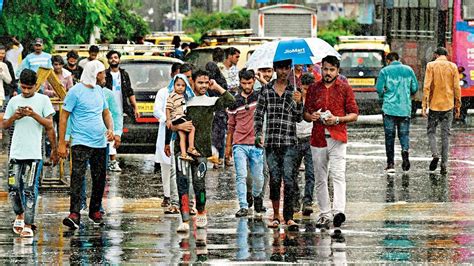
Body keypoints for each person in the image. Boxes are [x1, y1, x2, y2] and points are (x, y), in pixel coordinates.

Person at [172, 69, 235, 233]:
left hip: (202, 150)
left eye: (206, 82)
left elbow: (231, 100)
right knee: (182, 183)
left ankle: (201, 210)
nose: (204, 86)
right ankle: (184, 218)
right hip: (182, 149)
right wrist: (178, 127)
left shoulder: (211, 101)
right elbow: (169, 122)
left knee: (199, 184)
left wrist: (217, 87)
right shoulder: (183, 100)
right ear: (192, 82)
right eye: (200, 82)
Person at [304, 55, 359, 233]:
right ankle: (325, 212)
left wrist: (337, 120)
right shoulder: (313, 89)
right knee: (320, 178)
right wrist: (311, 116)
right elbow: (306, 112)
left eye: (331, 70)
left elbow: (354, 114)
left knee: (338, 175)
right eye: (325, 69)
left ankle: (338, 212)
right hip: (318, 138)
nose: (328, 73)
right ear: (321, 69)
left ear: (337, 71)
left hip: (338, 137)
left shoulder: (345, 89)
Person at [58, 61, 114, 230]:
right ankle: (74, 213)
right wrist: (62, 142)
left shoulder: (99, 91)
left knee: (99, 177)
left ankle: (95, 210)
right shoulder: (75, 92)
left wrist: (110, 128)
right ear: (94, 74)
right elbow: (63, 116)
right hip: (80, 142)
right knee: (77, 177)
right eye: (102, 73)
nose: (104, 76)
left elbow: (106, 112)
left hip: (99, 142)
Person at [3, 69, 58, 237]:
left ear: (36, 86)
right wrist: (15, 117)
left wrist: (54, 150)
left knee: (29, 188)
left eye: (29, 88)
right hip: (16, 152)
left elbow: (49, 125)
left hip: (34, 153)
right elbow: (4, 124)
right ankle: (19, 215)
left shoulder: (43, 100)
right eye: (23, 87)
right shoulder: (14, 100)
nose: (25, 91)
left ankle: (29, 222)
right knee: (13, 187)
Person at [254, 59, 303, 231]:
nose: (283, 71)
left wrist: (299, 102)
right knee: (275, 179)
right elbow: (259, 114)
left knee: (289, 179)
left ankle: (288, 217)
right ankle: (275, 215)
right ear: (275, 69)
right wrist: (258, 134)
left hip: (290, 141)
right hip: (272, 142)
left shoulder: (294, 90)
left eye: (286, 68)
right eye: (280, 68)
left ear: (290, 69)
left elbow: (298, 117)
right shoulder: (266, 90)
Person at [226, 69, 265, 218]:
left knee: (259, 177)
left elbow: (270, 90)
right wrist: (228, 147)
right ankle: (243, 205)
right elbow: (230, 125)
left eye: (250, 83)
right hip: (239, 143)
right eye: (244, 83)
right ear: (240, 82)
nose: (247, 86)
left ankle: (256, 197)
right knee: (241, 176)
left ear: (253, 81)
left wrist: (261, 79)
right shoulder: (234, 101)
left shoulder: (259, 96)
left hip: (256, 144)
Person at [376, 52, 418, 173]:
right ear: (398, 59)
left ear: (388, 60)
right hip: (404, 108)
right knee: (404, 135)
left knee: (389, 136)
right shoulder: (408, 70)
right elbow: (414, 88)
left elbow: (379, 89)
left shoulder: (385, 71)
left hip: (389, 108)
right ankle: (405, 151)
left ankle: (390, 164)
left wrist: (385, 93)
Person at [422, 47, 461, 175]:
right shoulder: (453, 67)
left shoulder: (431, 66)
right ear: (446, 55)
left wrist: (424, 105)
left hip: (434, 105)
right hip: (448, 105)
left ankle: (435, 154)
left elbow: (427, 86)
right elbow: (456, 87)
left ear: (435, 54)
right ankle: (444, 164)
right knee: (446, 135)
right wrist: (458, 105)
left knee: (431, 131)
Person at [104, 50, 140, 172]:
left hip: (119, 109)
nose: (113, 59)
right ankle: (110, 160)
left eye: (115, 57)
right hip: (106, 109)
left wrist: (135, 107)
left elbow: (129, 91)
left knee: (115, 134)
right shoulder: (104, 74)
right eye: (111, 58)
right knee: (108, 133)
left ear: (119, 59)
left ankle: (112, 161)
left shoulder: (124, 75)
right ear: (108, 60)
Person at [154, 62, 181, 213]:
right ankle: (167, 195)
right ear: (171, 75)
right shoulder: (163, 92)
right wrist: (169, 120)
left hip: (180, 133)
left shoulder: (186, 94)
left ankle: (179, 197)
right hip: (166, 130)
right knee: (166, 165)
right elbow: (156, 110)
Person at [43, 55, 74, 165]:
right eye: (55, 64)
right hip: (51, 106)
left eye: (59, 64)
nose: (57, 67)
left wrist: (63, 93)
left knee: (64, 131)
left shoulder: (67, 75)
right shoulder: (49, 75)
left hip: (63, 107)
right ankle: (49, 155)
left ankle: (64, 153)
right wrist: (53, 92)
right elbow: (44, 90)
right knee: (49, 131)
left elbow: (71, 90)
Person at [293, 73, 316, 216]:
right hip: (294, 139)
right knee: (292, 173)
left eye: (309, 89)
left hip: (311, 139)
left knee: (310, 173)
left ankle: (307, 201)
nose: (307, 92)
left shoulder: (316, 101)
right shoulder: (294, 99)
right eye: (305, 89)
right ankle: (295, 199)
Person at [166, 75, 200, 161]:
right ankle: (191, 147)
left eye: (183, 85)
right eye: (178, 85)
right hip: (178, 117)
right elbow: (168, 108)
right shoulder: (172, 95)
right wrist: (168, 119)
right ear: (173, 85)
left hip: (178, 118)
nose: (180, 87)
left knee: (182, 136)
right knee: (192, 128)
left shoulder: (183, 96)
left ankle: (184, 154)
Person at [205, 61, 229, 168]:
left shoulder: (209, 82)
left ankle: (214, 159)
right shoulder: (222, 81)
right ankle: (221, 158)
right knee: (221, 136)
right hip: (222, 112)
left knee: (212, 137)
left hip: (212, 112)